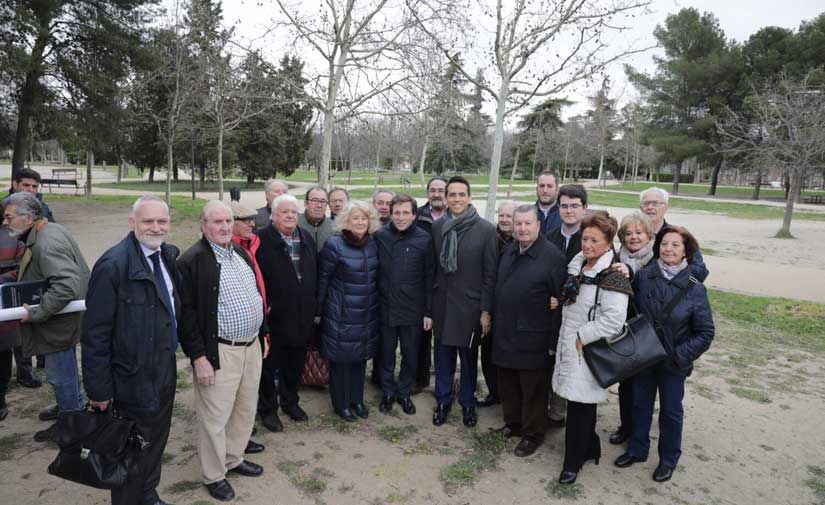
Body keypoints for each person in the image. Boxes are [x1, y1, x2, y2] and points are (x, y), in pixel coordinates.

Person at [82, 195, 181, 505]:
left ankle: (148, 494)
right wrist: (98, 390)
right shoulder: (113, 265)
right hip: (129, 379)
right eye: (147, 221)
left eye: (161, 221)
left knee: (155, 441)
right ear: (132, 223)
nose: (155, 227)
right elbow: (95, 334)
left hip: (163, 370)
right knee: (128, 451)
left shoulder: (166, 256)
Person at [178, 201, 268, 502]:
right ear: (203, 224)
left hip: (251, 346)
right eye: (217, 222)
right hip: (220, 352)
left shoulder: (239, 251)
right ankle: (214, 474)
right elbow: (186, 315)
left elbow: (256, 293)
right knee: (215, 417)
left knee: (245, 409)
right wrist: (198, 357)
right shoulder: (192, 260)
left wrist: (263, 333)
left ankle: (233, 458)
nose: (225, 227)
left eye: (228, 221)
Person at [614, 226, 714, 483]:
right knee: (640, 405)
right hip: (645, 357)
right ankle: (637, 449)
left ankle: (668, 459)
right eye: (665, 244)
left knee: (670, 412)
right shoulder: (644, 276)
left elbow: (705, 332)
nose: (668, 249)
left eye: (675, 245)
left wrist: (679, 356)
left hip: (673, 363)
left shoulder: (695, 287)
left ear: (686, 252)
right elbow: (629, 312)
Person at [3, 192, 89, 442]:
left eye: (9, 217)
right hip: (61, 320)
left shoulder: (46, 242)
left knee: (59, 375)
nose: (5, 222)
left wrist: (37, 313)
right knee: (65, 372)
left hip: (57, 323)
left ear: (29, 218)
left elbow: (65, 286)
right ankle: (70, 408)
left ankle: (71, 427)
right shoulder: (46, 231)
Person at [553, 211, 631, 485]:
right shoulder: (578, 267)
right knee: (578, 406)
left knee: (580, 408)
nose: (587, 245)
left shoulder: (612, 276)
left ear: (609, 244)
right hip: (571, 345)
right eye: (585, 239)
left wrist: (582, 336)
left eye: (594, 241)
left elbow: (614, 320)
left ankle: (572, 463)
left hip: (588, 349)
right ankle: (589, 448)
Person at [492, 205, 566, 458]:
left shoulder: (552, 256)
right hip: (505, 332)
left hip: (534, 335)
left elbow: (561, 301)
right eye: (518, 223)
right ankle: (513, 424)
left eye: (527, 223)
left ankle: (533, 434)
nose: (522, 228)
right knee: (508, 384)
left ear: (538, 225)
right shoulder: (510, 250)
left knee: (533, 389)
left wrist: (553, 342)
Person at [431, 176, 497, 428]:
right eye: (452, 195)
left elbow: (490, 276)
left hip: (469, 309)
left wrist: (485, 311)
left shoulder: (485, 230)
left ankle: (468, 402)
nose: (456, 199)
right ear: (445, 198)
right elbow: (433, 270)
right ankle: (443, 400)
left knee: (468, 360)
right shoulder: (438, 228)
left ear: (469, 197)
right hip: (443, 306)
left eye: (461, 194)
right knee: (443, 357)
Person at [255, 194, 317, 432]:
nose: (290, 216)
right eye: (284, 212)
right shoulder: (261, 240)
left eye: (293, 211)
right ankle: (268, 410)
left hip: (302, 316)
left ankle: (291, 402)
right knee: (269, 367)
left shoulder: (306, 238)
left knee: (295, 364)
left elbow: (315, 273)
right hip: (274, 318)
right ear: (273, 214)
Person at [317, 201, 380, 422]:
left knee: (360, 359)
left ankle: (357, 400)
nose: (360, 222)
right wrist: (319, 311)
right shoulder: (335, 244)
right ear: (346, 220)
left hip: (366, 313)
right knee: (342, 361)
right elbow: (323, 279)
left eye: (364, 218)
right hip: (341, 314)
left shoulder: (372, 243)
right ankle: (341, 404)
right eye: (356, 218)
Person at [374, 194, 434, 415]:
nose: (400, 217)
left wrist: (428, 311)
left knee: (410, 355)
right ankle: (388, 391)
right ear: (390, 214)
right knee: (386, 354)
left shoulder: (424, 239)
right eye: (396, 213)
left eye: (405, 213)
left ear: (414, 214)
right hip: (386, 307)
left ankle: (404, 392)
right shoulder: (380, 236)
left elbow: (430, 277)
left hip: (413, 309)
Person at [605, 212, 656, 446]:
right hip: (625, 330)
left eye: (639, 232)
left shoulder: (656, 259)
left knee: (643, 390)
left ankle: (638, 437)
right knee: (625, 385)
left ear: (648, 235)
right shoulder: (617, 257)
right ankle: (625, 427)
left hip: (647, 331)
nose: (633, 237)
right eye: (628, 233)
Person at [229, 202, 269, 453]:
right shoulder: (227, 250)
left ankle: (240, 438)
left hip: (256, 326)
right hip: (232, 338)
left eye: (252, 219)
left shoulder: (252, 244)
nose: (252, 224)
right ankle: (231, 445)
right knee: (231, 393)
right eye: (245, 219)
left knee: (246, 391)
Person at [8, 167, 53, 389]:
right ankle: (24, 371)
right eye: (26, 185)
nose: (31, 190)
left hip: (38, 270)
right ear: (15, 185)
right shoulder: (7, 209)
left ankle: (44, 357)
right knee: (19, 322)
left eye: (35, 186)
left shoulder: (43, 208)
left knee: (41, 312)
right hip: (14, 272)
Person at [478, 200, 516, 409]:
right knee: (487, 351)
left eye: (509, 216)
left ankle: (508, 396)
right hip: (490, 303)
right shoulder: (490, 238)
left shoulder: (521, 241)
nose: (504, 219)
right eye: (501, 215)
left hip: (511, 309)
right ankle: (494, 392)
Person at [414, 176, 447, 391]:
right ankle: (420, 379)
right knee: (421, 336)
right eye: (433, 190)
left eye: (441, 190)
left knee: (444, 338)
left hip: (447, 285)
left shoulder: (457, 218)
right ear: (427, 193)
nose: (437, 194)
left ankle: (444, 382)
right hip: (422, 285)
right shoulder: (417, 218)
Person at [638, 187, 708, 281]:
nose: (650, 207)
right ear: (640, 208)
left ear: (666, 207)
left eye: (655, 203)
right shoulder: (632, 236)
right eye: (645, 203)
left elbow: (700, 271)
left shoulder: (679, 235)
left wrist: (673, 273)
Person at [546, 184, 588, 264]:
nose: (569, 211)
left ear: (584, 207)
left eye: (574, 206)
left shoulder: (593, 239)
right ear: (558, 207)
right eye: (564, 206)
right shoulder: (549, 238)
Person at [299, 185, 335, 251]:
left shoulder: (334, 228)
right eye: (315, 200)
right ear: (306, 204)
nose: (319, 205)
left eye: (323, 201)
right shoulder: (295, 225)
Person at [534, 172, 561, 236]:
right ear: (536, 189)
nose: (545, 190)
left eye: (550, 186)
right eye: (541, 186)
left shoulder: (565, 216)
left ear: (557, 190)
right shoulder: (528, 214)